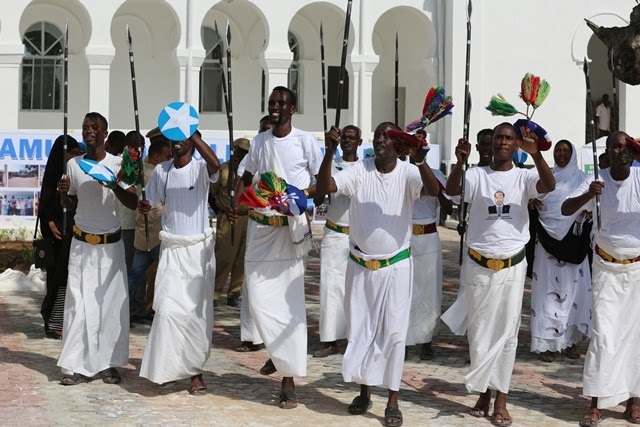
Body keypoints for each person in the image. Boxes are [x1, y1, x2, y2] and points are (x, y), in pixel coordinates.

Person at [317, 122, 441, 427]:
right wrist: (329, 151)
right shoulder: (359, 170)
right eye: (377, 136)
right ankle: (364, 392)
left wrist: (420, 160)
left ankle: (393, 400)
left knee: (394, 334)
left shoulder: (409, 172)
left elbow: (434, 191)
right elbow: (324, 188)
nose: (380, 140)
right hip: (360, 267)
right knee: (362, 332)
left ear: (398, 143)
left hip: (396, 267)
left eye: (387, 136)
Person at [445, 122, 555, 426]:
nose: (503, 142)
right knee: (479, 333)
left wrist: (537, 155)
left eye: (508, 138)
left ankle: (501, 398)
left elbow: (548, 186)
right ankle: (483, 392)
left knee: (507, 335)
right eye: (498, 138)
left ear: (515, 144)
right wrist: (460, 161)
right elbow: (452, 191)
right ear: (491, 143)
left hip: (512, 266)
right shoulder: (477, 175)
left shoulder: (524, 176)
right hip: (479, 265)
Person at [232, 86, 323, 408]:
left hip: (290, 230)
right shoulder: (259, 141)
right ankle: (276, 349)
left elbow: (322, 182)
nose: (275, 107)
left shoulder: (305, 141)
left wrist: (300, 197)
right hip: (261, 229)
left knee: (289, 304)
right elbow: (247, 177)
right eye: (272, 102)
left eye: (281, 103)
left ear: (292, 109)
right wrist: (240, 200)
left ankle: (288, 381)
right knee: (257, 299)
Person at [561, 131, 640, 427]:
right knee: (604, 336)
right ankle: (596, 404)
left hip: (637, 268)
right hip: (606, 267)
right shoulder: (596, 179)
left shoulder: (639, 178)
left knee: (636, 338)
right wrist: (588, 195)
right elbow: (566, 208)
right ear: (606, 153)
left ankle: (633, 402)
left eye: (626, 146)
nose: (621, 150)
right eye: (615, 146)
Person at [56, 112, 138, 385]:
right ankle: (75, 365)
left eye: (94, 127)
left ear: (105, 133)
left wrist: (114, 184)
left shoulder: (118, 164)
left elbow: (132, 202)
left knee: (110, 309)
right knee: (78, 307)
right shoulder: (74, 164)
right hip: (81, 245)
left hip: (110, 248)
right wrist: (62, 193)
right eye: (85, 127)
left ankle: (108, 365)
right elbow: (69, 205)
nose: (89, 131)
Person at [138, 129, 220, 394]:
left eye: (183, 136)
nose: (177, 141)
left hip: (198, 252)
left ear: (193, 140)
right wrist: (143, 205)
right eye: (174, 136)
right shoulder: (162, 171)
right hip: (172, 250)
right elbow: (148, 201)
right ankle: (168, 369)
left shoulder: (201, 169)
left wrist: (190, 131)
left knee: (196, 315)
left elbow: (216, 165)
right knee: (167, 310)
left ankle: (195, 373)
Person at [529, 140, 592, 363]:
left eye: (565, 151)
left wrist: (587, 212)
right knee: (547, 293)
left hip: (573, 245)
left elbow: (592, 205)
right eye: (558, 150)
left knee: (574, 293)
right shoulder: (545, 178)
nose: (561, 154)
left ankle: (571, 342)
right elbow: (530, 196)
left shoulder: (583, 180)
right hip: (546, 245)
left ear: (572, 154)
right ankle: (548, 345)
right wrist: (532, 202)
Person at [314, 124, 362, 358]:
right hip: (334, 233)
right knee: (331, 287)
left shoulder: (366, 167)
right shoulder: (331, 164)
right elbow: (318, 199)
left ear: (360, 142)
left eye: (353, 138)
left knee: (357, 289)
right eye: (345, 137)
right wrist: (328, 153)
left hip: (358, 236)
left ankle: (355, 337)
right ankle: (330, 340)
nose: (348, 141)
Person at [405, 159, 452, 360]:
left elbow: (449, 209)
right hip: (404, 235)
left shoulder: (436, 174)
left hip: (428, 236)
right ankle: (404, 341)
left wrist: (437, 189)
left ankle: (426, 341)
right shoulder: (401, 172)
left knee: (429, 291)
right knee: (404, 290)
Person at [39, 135, 83, 339]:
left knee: (68, 276)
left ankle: (63, 321)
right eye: (71, 153)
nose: (74, 157)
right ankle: (53, 322)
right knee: (57, 278)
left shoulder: (75, 172)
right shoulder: (54, 175)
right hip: (56, 236)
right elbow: (46, 203)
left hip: (73, 232)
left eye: (77, 153)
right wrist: (49, 221)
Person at [234, 119, 273, 353]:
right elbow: (243, 182)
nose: (266, 134)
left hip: (283, 223)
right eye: (262, 130)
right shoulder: (252, 156)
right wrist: (238, 203)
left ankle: (274, 333)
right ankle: (250, 335)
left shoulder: (290, 149)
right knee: (253, 277)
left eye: (270, 130)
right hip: (257, 222)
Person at [127, 134, 172, 323]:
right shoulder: (152, 173)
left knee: (137, 276)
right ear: (156, 157)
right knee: (166, 274)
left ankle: (128, 310)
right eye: (167, 157)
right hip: (153, 233)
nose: (170, 160)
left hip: (148, 233)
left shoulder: (144, 170)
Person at [210, 138, 251, 308]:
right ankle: (214, 292)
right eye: (238, 151)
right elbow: (211, 195)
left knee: (242, 257)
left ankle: (235, 292)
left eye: (244, 153)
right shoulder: (223, 169)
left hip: (247, 216)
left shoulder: (251, 171)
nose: (240, 156)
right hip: (228, 217)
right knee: (223, 256)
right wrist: (221, 211)